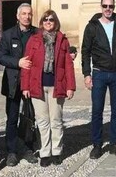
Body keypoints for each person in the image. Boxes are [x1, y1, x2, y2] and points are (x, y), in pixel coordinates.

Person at [21, 10, 76, 166]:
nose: (48, 21)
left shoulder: (62, 40)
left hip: (57, 85)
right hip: (37, 85)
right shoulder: (34, 40)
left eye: (51, 19)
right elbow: (27, 64)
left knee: (56, 120)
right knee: (42, 121)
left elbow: (68, 65)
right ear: (41, 22)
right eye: (45, 19)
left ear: (55, 21)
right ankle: (45, 152)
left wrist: (70, 86)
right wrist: (25, 86)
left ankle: (57, 151)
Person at [81, 0, 116, 159]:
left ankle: (114, 143)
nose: (108, 9)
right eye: (105, 6)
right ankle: (97, 145)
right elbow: (85, 51)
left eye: (111, 6)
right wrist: (87, 74)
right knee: (97, 110)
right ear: (101, 7)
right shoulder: (92, 26)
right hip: (99, 73)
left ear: (114, 7)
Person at [0, 3, 38, 166]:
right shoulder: (8, 35)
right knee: (12, 118)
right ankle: (12, 151)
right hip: (13, 82)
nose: (27, 17)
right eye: (24, 14)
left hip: (32, 82)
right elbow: (1, 56)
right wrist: (17, 62)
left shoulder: (37, 33)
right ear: (17, 16)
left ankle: (28, 148)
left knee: (30, 117)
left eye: (29, 14)